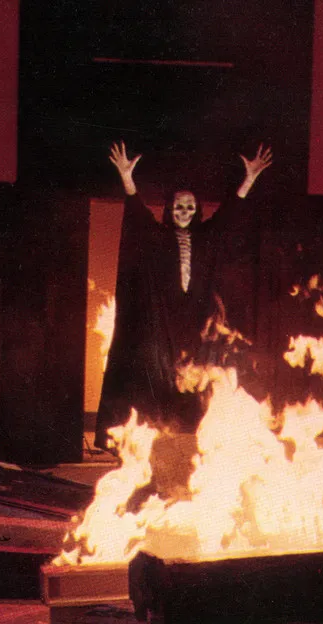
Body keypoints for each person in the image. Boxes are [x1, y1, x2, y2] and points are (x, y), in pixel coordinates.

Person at [94, 141, 274, 450]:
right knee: (156, 372)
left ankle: (194, 439)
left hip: (196, 322)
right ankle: (154, 437)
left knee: (198, 377)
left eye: (190, 207)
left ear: (197, 210)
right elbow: (138, 216)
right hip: (164, 321)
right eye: (178, 206)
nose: (184, 212)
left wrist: (249, 178)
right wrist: (126, 178)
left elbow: (229, 215)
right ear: (169, 209)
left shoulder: (207, 237)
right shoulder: (158, 237)